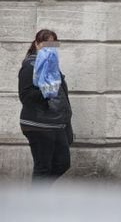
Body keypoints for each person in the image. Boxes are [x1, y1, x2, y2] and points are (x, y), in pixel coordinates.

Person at [18, 29, 73, 184]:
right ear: (36, 44)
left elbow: (62, 96)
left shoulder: (52, 64)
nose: (50, 47)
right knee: (43, 167)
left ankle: (40, 194)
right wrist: (46, 91)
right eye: (45, 43)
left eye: (53, 43)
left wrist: (67, 123)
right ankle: (37, 202)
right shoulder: (30, 66)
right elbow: (26, 96)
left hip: (56, 123)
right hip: (38, 124)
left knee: (63, 163)